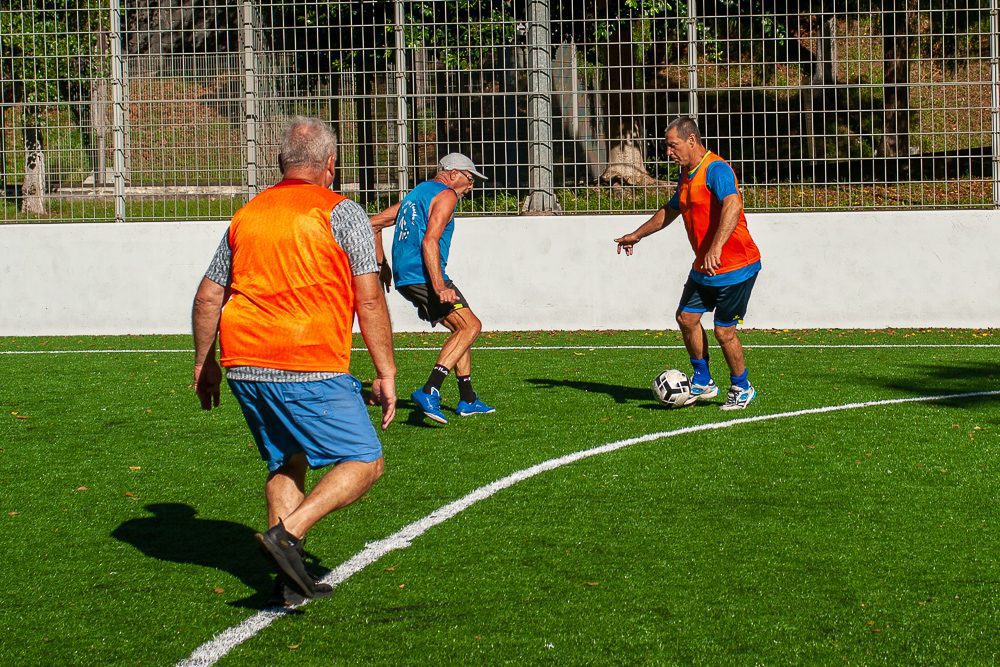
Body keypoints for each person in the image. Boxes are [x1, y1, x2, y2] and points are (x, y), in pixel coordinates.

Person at [191, 116, 397, 605]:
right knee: (365, 460)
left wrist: (206, 363)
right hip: (306, 360)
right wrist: (386, 371)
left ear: (281, 163)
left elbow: (207, 296)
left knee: (288, 458)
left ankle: (288, 580)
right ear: (330, 165)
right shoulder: (340, 211)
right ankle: (288, 535)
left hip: (243, 360)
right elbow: (368, 300)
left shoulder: (249, 214)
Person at [615, 116, 761, 410]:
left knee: (724, 331)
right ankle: (703, 379)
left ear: (691, 141)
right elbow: (671, 210)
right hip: (705, 267)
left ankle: (742, 387)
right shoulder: (686, 173)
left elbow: (733, 205)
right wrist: (637, 235)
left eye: (673, 145)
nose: (668, 152)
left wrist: (716, 247)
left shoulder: (716, 170)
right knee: (686, 318)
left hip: (736, 266)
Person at [370, 153, 494, 425]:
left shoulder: (416, 195)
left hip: (407, 277)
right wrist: (439, 286)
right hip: (424, 275)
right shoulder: (446, 195)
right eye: (469, 178)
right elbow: (430, 242)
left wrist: (383, 265)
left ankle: (468, 398)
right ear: (451, 173)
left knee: (462, 327)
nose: (471, 185)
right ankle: (430, 389)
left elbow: (373, 224)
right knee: (471, 326)